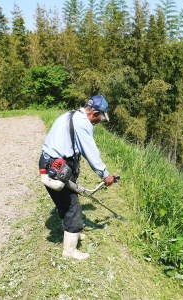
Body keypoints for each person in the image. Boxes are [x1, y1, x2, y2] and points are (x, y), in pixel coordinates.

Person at [38, 95, 118, 260]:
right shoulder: (83, 123)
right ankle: (70, 251)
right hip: (58, 168)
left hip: (50, 163)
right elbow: (91, 153)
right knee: (72, 209)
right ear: (94, 113)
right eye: (99, 118)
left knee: (64, 203)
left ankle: (71, 231)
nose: (98, 122)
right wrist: (105, 175)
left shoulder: (69, 114)